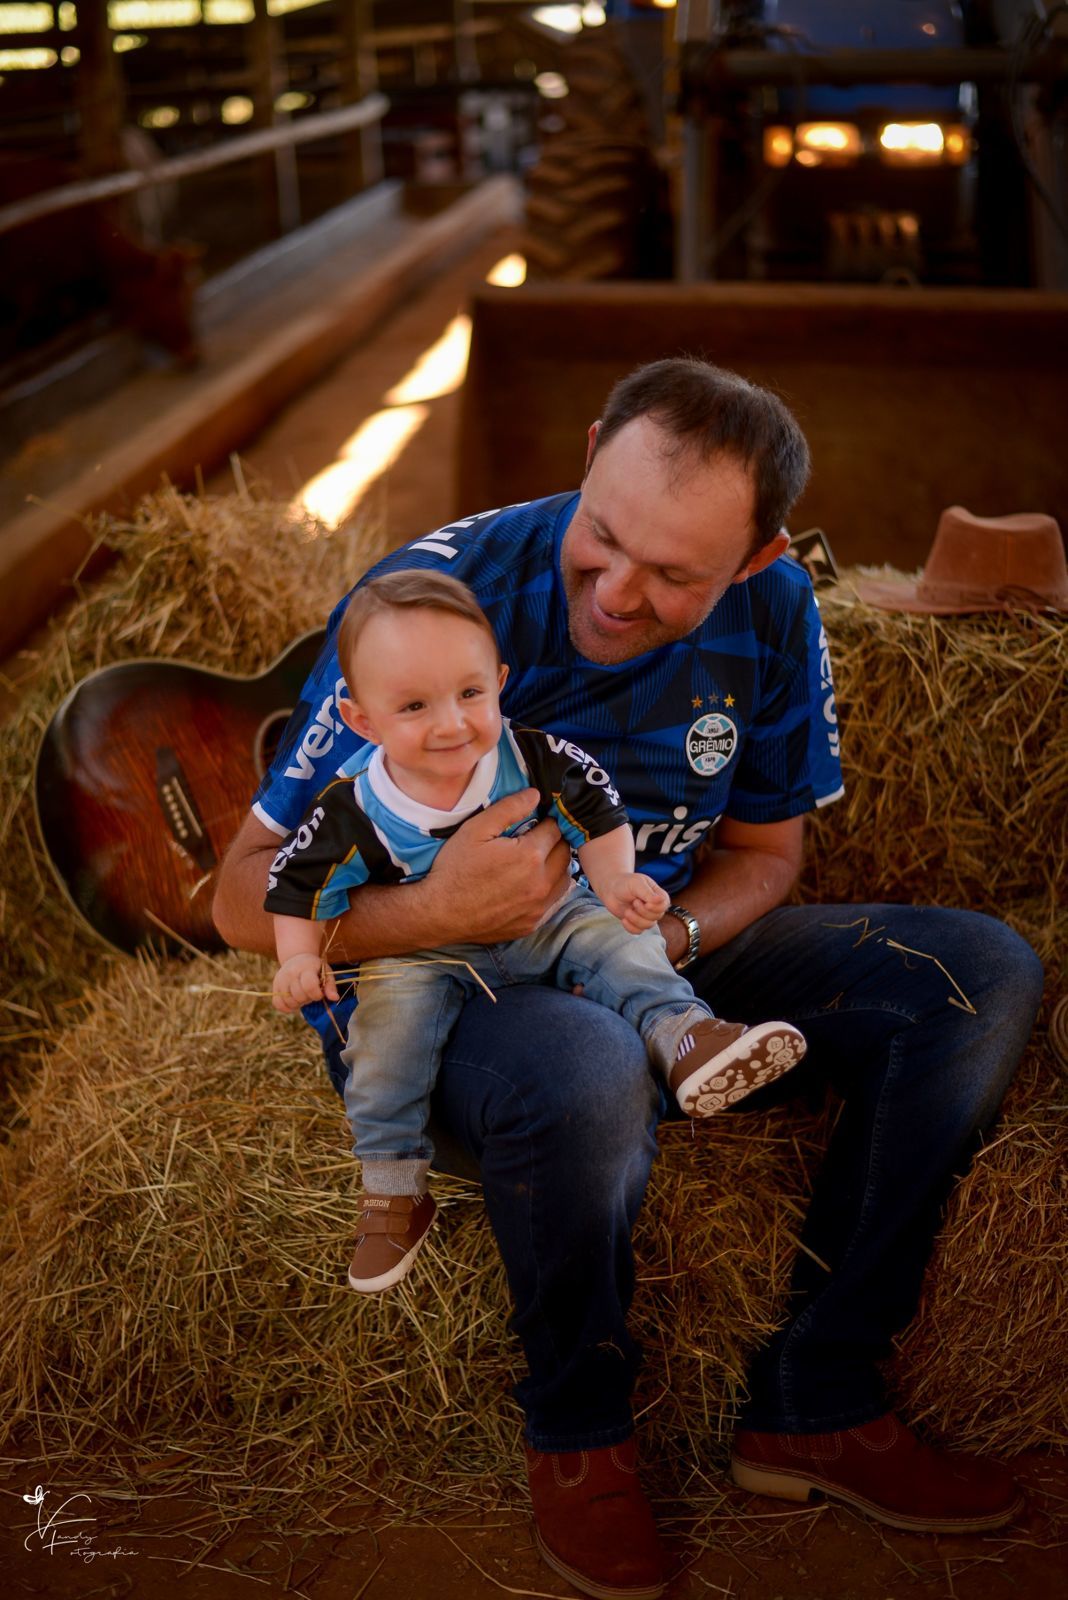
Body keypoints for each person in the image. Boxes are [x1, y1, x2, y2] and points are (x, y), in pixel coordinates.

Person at [214, 359, 1044, 1600]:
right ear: (593, 447)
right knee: (589, 1060)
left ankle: (818, 1395)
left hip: (647, 938)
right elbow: (236, 894)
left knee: (976, 970)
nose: (614, 591)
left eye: (671, 576)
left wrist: (660, 947)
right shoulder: (439, 599)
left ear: (757, 558)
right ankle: (582, 1432)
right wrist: (439, 907)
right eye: (601, 537)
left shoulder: (778, 611)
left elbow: (768, 855)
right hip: (448, 976)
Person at [265, 569, 807, 1294]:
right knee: (384, 1039)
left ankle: (684, 1036)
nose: (451, 724)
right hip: (422, 954)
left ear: (499, 682)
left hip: (548, 920)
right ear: (362, 721)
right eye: (414, 705)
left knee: (620, 942)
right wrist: (297, 958)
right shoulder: (352, 809)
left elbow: (599, 813)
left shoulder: (531, 758)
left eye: (469, 693)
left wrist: (615, 883)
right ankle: (394, 1188)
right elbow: (294, 886)